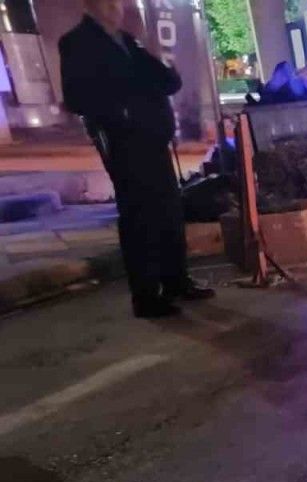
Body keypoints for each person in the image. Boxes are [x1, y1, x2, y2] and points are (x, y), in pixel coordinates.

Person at [59, 0, 214, 318]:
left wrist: (152, 51)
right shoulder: (77, 42)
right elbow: (76, 98)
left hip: (154, 139)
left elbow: (170, 83)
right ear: (90, 5)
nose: (116, 8)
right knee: (139, 216)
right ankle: (145, 295)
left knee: (169, 211)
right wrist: (121, 111)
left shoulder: (129, 41)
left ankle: (176, 281)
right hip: (124, 142)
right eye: (108, 2)